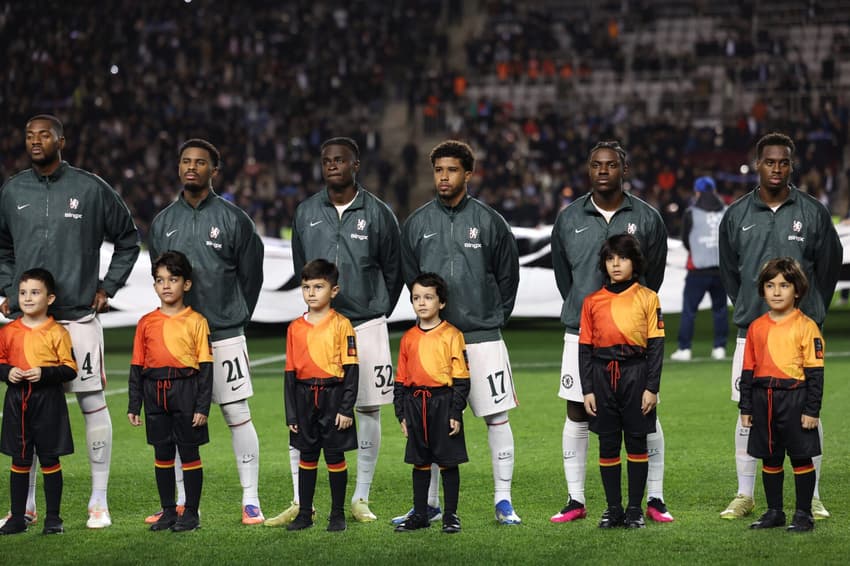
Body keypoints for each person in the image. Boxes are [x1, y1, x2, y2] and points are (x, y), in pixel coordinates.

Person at [0, 114, 140, 529]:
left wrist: (108, 286)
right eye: (29, 135)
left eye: (44, 134)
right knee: (24, 408)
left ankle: (98, 502)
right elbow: (2, 249)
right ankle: (25, 506)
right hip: (26, 326)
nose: (36, 141)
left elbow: (129, 240)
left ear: (62, 140)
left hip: (77, 316)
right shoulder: (12, 190)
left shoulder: (90, 188)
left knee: (92, 403)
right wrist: (9, 289)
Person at [270, 137, 401, 526]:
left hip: (367, 324)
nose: (332, 165)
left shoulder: (378, 213)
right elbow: (302, 266)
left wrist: (377, 309)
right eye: (326, 160)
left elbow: (393, 271)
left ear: (355, 164)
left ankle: (360, 498)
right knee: (308, 411)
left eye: (340, 160)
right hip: (317, 328)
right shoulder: (306, 211)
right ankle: (300, 501)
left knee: (368, 408)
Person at [718, 132, 842, 520]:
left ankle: (814, 496)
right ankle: (745, 494)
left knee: (808, 412)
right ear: (757, 165)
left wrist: (811, 310)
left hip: (799, 334)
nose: (776, 168)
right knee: (748, 412)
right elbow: (729, 273)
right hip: (751, 334)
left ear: (792, 165)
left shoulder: (813, 211)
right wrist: (750, 308)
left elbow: (829, 267)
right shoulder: (736, 214)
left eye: (783, 162)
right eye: (769, 161)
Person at [400, 140, 522, 525]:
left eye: (452, 170)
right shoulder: (418, 223)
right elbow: (411, 277)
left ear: (468, 174)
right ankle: (431, 504)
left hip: (482, 338)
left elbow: (508, 275)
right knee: (430, 425)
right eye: (438, 170)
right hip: (433, 340)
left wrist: (491, 316)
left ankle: (503, 501)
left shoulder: (489, 221)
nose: (444, 177)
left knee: (496, 418)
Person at [550, 141, 672, 523]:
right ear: (589, 170)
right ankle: (576, 499)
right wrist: (584, 309)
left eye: (611, 165)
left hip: (633, 341)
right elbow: (562, 276)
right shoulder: (569, 217)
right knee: (577, 410)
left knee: (644, 412)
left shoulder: (648, 217)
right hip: (583, 331)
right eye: (596, 165)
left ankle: (653, 498)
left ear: (624, 169)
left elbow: (654, 276)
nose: (603, 171)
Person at [148, 138, 265, 525]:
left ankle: (251, 499)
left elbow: (252, 276)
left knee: (236, 413)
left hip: (224, 334)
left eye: (200, 162)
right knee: (179, 419)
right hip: (176, 339)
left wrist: (235, 317)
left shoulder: (234, 220)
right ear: (178, 168)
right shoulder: (164, 221)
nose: (192, 167)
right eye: (185, 161)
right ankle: (180, 502)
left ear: (215, 170)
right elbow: (161, 276)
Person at [581, 235, 664, 528]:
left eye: (623, 258)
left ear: (635, 262)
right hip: (603, 377)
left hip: (636, 373)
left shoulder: (648, 298)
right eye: (610, 258)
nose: (616, 264)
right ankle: (613, 509)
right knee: (608, 443)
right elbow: (585, 350)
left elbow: (655, 347)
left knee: (637, 442)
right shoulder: (592, 302)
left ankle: (634, 509)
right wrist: (587, 389)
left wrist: (651, 387)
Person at [127, 251, 213, 532]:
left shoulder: (197, 321)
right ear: (154, 285)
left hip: (185, 390)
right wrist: (133, 403)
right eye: (159, 280)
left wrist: (202, 407)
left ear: (186, 285)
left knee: (188, 452)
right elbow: (137, 365)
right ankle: (168, 511)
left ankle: (191, 512)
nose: (166, 285)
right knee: (162, 453)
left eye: (173, 279)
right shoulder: (145, 323)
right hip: (155, 393)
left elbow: (205, 369)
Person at [739, 258, 823, 532]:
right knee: (770, 457)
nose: (776, 291)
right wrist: (746, 407)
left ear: (796, 290)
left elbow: (815, 374)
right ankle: (774, 511)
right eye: (770, 285)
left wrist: (812, 410)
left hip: (795, 399)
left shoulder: (806, 326)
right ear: (762, 290)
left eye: (784, 285)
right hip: (764, 401)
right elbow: (748, 371)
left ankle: (803, 513)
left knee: (800, 457)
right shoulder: (756, 327)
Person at [282, 259, 358, 532]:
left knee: (335, 456)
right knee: (307, 455)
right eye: (306, 287)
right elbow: (289, 374)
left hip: (334, 397)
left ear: (334, 291)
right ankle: (305, 513)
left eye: (318, 287)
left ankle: (337, 514)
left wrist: (346, 409)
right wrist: (292, 412)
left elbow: (351, 371)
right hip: (304, 398)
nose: (311, 293)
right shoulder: (294, 328)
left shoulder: (342, 325)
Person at [0, 269, 77, 535]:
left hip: (48, 402)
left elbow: (69, 369)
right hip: (17, 400)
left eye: (35, 292)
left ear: (50, 298)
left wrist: (45, 373)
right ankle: (18, 518)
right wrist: (7, 372)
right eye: (23, 293)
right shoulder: (9, 331)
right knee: (19, 459)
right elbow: (0, 362)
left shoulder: (57, 332)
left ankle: (53, 519)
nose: (28, 298)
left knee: (49, 459)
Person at [393, 273, 469, 534]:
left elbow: (461, 378)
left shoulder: (452, 335)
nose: (421, 303)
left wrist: (455, 411)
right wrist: (401, 413)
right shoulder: (408, 338)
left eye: (428, 297)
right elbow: (401, 379)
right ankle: (421, 514)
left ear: (442, 302)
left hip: (442, 402)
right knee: (420, 462)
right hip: (415, 405)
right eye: (416, 298)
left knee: (448, 461)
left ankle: (450, 515)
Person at [670, 176, 728, 361]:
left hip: (697, 269)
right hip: (720, 270)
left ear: (697, 192)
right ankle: (719, 348)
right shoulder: (725, 212)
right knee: (720, 310)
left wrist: (698, 251)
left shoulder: (691, 213)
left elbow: (686, 239)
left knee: (689, 311)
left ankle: (684, 349)